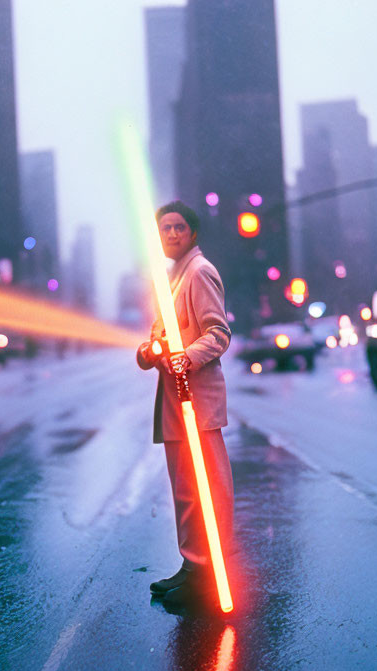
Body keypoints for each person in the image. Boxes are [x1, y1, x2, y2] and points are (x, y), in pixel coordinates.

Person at [136, 200, 234, 609]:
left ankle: (210, 576)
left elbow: (219, 333)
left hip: (198, 404)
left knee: (208, 490)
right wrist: (149, 351)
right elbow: (164, 338)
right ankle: (192, 565)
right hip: (177, 405)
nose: (171, 234)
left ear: (193, 233)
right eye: (165, 229)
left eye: (178, 228)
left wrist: (186, 356)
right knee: (186, 492)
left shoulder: (199, 271)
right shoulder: (173, 278)